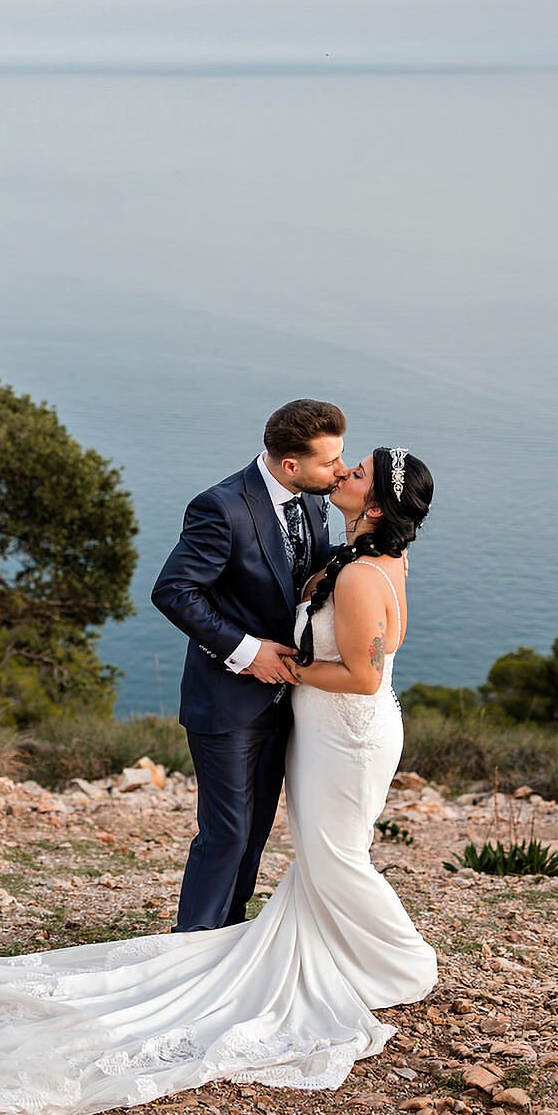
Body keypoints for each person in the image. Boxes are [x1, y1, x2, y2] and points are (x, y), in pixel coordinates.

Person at [0, 446, 440, 1115]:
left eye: (355, 471)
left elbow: (360, 675)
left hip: (346, 732)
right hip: (327, 731)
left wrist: (289, 668)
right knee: (320, 851)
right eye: (340, 461)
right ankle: (328, 951)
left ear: (377, 505)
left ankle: (402, 963)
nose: (343, 471)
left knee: (335, 856)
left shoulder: (360, 574)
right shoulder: (355, 553)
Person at [152, 399, 345, 933]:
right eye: (330, 463)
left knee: (257, 828)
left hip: (288, 698)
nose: (342, 471)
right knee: (226, 832)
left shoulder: (310, 498)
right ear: (290, 464)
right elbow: (174, 592)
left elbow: (302, 573)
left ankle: (228, 939)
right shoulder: (222, 507)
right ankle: (189, 948)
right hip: (228, 697)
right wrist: (247, 651)